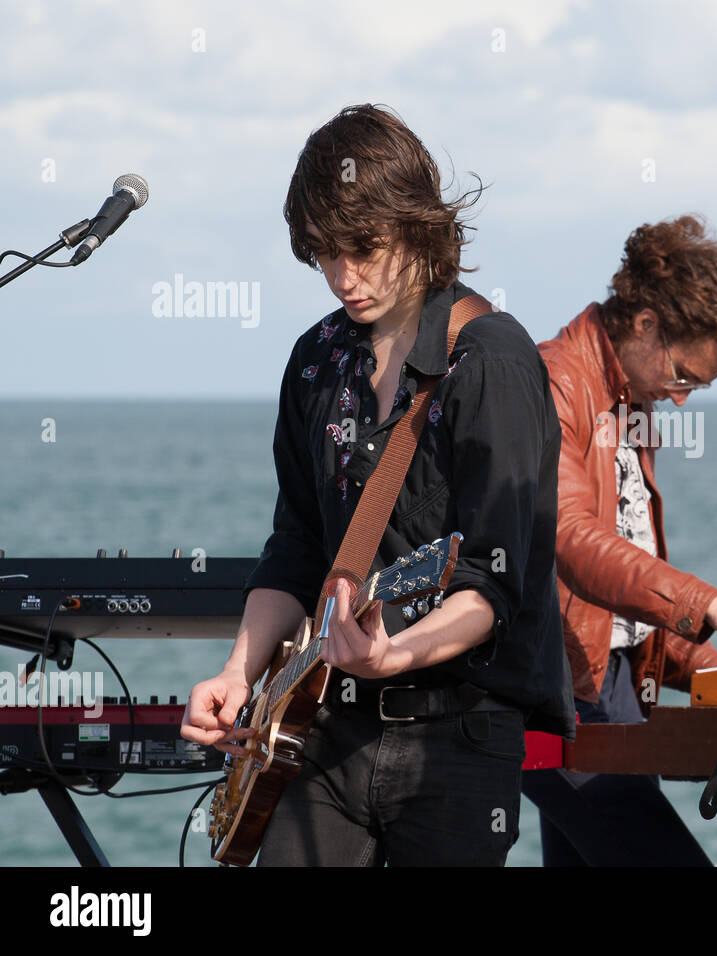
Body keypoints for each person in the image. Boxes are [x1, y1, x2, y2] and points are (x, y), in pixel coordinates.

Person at [181, 103, 573, 866]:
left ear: (417, 225)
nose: (341, 277)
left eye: (361, 248)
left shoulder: (491, 358)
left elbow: (492, 581)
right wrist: (237, 672)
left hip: (456, 737)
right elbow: (296, 544)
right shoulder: (315, 358)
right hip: (321, 730)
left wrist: (395, 656)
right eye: (323, 255)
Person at [521, 216, 717, 865]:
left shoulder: (631, 402)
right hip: (557, 696)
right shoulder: (551, 385)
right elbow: (570, 540)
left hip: (613, 689)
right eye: (685, 374)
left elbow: (624, 617)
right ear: (646, 324)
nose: (683, 399)